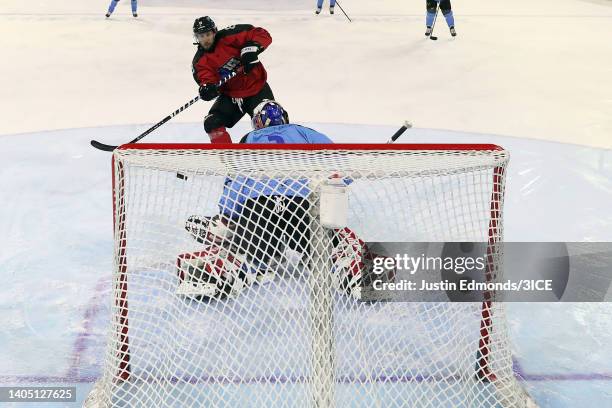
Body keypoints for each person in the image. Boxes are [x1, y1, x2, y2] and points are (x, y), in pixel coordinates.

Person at [179, 101, 367, 301]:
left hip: (258, 207)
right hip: (302, 205)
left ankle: (236, 267)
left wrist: (227, 215)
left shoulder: (249, 138)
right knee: (326, 246)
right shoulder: (302, 132)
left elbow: (236, 178)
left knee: (247, 248)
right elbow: (339, 162)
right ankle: (343, 266)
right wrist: (340, 180)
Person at [191, 16, 276, 144]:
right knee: (212, 122)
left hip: (256, 89)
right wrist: (208, 89)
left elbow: (261, 33)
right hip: (232, 97)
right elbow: (206, 80)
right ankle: (228, 159)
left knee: (272, 117)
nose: (205, 39)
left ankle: (275, 157)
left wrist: (251, 49)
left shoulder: (229, 35)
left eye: (208, 34)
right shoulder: (200, 62)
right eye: (201, 36)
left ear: (214, 32)